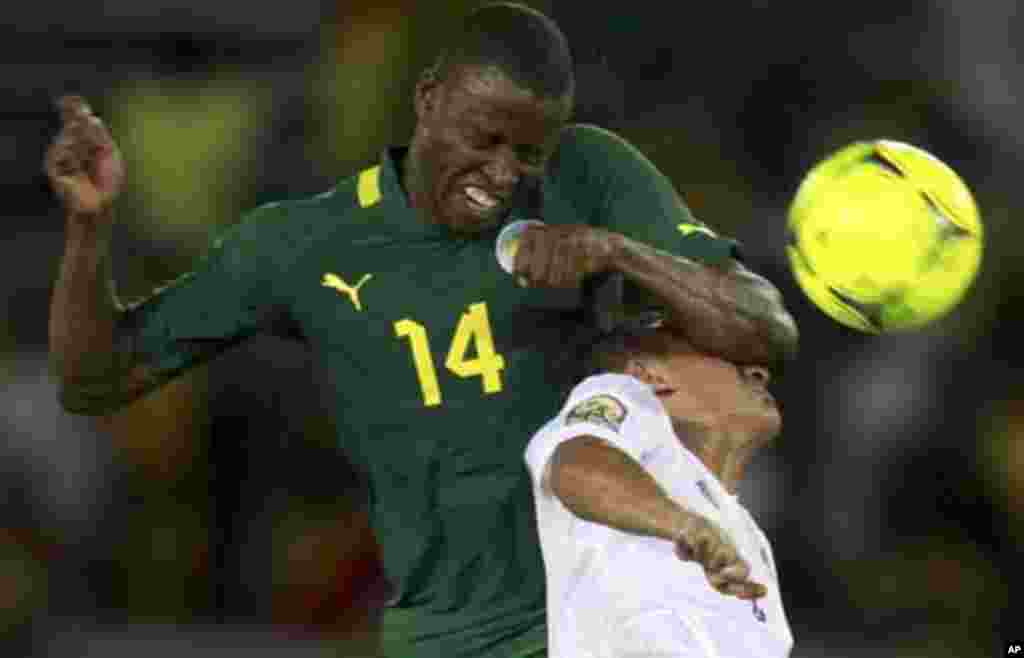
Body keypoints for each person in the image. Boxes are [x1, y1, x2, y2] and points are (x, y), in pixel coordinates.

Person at [44, 3, 798, 656]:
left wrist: (617, 250)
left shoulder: (589, 174)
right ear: (429, 99)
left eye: (528, 151)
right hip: (449, 638)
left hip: (602, 612)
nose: (505, 174)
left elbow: (764, 331)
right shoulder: (304, 245)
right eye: (485, 139)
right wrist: (88, 228)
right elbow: (94, 381)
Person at [525, 322, 793, 658]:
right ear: (648, 377)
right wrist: (686, 525)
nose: (759, 373)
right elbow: (576, 467)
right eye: (728, 356)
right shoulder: (626, 402)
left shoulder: (752, 541)